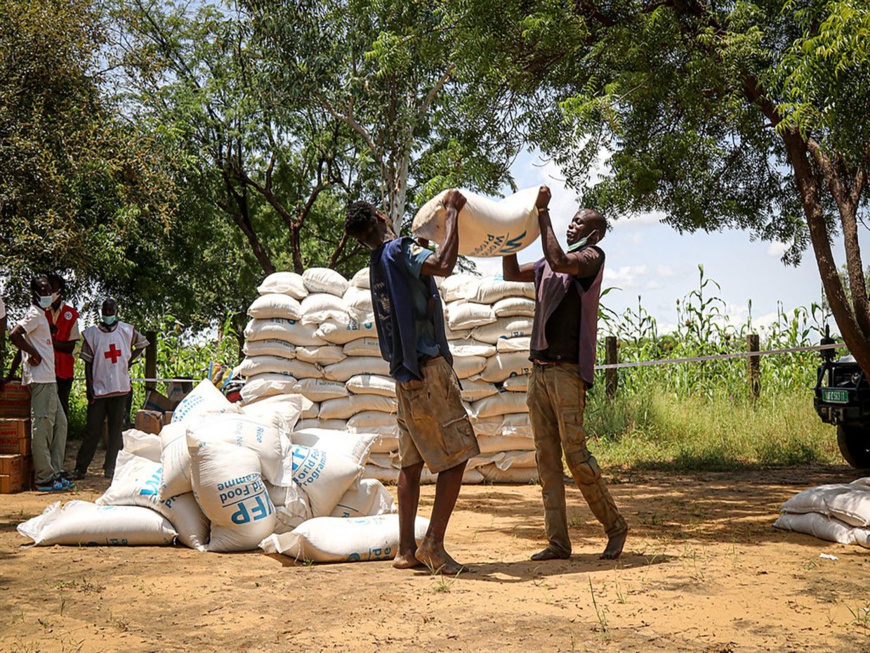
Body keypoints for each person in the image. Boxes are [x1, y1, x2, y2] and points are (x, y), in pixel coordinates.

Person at [345, 191, 479, 576]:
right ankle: (433, 545)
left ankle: (406, 549)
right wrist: (452, 214)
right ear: (381, 214)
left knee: (412, 463)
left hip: (404, 375)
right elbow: (443, 264)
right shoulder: (399, 250)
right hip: (428, 371)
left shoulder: (378, 262)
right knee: (457, 457)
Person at [502, 186, 628, 561]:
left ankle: (615, 526)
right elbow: (510, 272)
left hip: (567, 373)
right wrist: (509, 231)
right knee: (546, 459)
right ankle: (558, 542)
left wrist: (543, 213)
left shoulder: (590, 258)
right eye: (571, 219)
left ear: (596, 233)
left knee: (576, 456)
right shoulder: (545, 264)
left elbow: (558, 260)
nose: (573, 225)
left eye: (580, 222)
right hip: (539, 372)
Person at [70, 298, 148, 480]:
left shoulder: (127, 330)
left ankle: (110, 467)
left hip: (120, 388)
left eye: (111, 309)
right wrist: (89, 387)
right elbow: (87, 364)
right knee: (92, 430)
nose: (108, 312)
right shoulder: (91, 334)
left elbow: (143, 344)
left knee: (116, 431)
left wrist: (128, 360)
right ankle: (80, 468)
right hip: (99, 389)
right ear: (101, 311)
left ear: (116, 310)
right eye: (105, 309)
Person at [7, 275, 72, 492]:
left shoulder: (43, 316)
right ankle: (45, 478)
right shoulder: (35, 314)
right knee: (42, 427)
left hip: (48, 379)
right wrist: (33, 353)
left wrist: (12, 371)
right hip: (41, 380)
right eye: (42, 290)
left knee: (60, 425)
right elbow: (14, 335)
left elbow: (21, 344)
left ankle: (55, 471)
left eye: (48, 290)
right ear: (35, 293)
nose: (47, 294)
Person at [46, 273, 80, 417]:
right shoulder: (40, 312)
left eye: (52, 286)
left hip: (63, 371)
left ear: (60, 290)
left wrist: (49, 343)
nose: (49, 290)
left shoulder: (71, 315)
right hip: (44, 369)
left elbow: (70, 347)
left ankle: (62, 439)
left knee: (62, 408)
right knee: (45, 407)